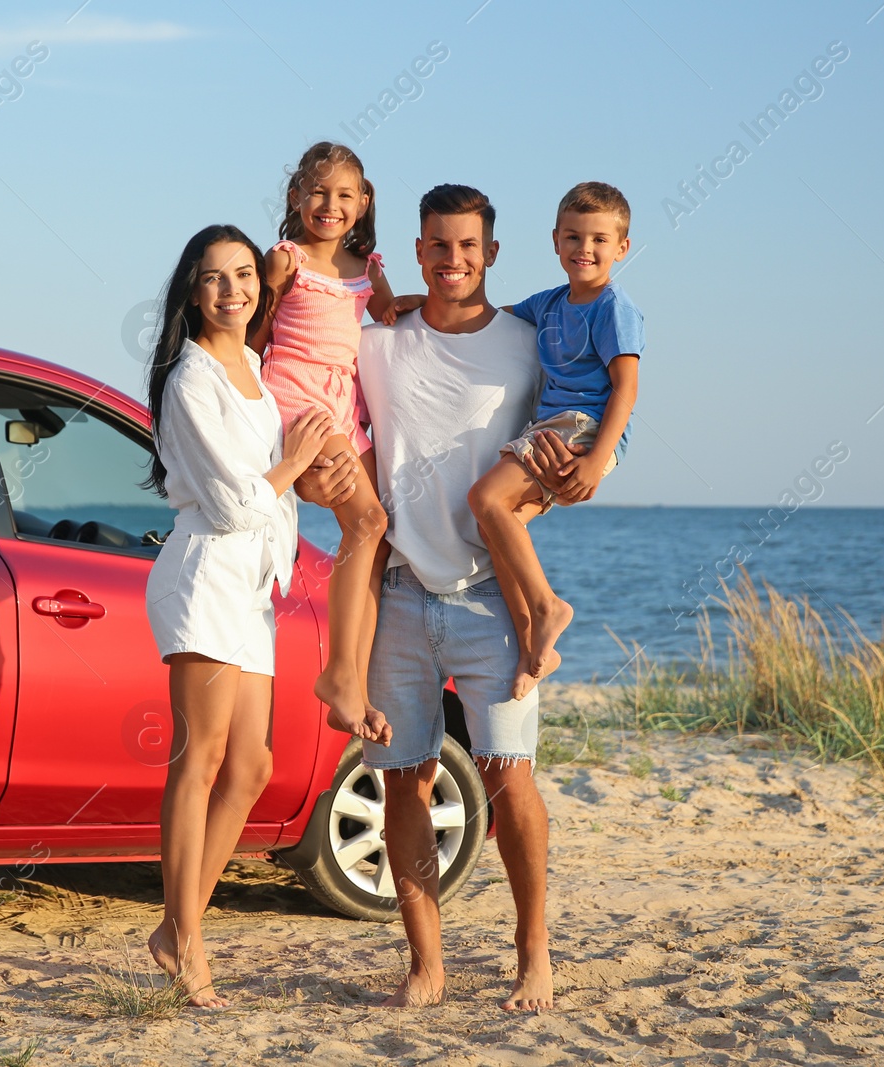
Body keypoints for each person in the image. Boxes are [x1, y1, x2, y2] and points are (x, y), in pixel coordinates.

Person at [300, 185, 564, 1011]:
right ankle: (427, 960)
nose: (454, 261)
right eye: (439, 247)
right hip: (400, 595)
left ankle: (533, 947)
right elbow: (309, 378)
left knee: (508, 773)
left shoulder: (528, 345)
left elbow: (571, 439)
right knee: (402, 781)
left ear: (490, 253)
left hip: (493, 599)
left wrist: (552, 491)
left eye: (469, 248)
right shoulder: (379, 344)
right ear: (417, 251)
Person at [143, 224, 333, 1007]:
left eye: (245, 275)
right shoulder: (190, 380)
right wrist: (291, 461)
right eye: (216, 278)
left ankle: (173, 925)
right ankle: (187, 941)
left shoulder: (253, 363)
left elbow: (268, 497)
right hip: (204, 575)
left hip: (252, 587)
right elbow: (227, 500)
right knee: (200, 758)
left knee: (251, 766)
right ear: (193, 291)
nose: (233, 289)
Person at [469, 181, 643, 698]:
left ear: (621, 248)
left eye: (597, 240)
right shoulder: (549, 304)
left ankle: (548, 607)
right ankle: (533, 649)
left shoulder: (613, 307)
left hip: (583, 426)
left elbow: (626, 389)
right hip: (552, 427)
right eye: (572, 237)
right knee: (498, 528)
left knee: (483, 497)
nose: (583, 249)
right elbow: (487, 317)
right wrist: (416, 301)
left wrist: (598, 460)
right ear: (554, 241)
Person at [254, 141, 396, 747]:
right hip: (299, 398)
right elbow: (254, 336)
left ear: (363, 203)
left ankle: (353, 680)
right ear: (295, 197)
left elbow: (391, 314)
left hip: (348, 402)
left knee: (380, 533)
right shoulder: (285, 260)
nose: (329, 205)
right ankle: (337, 676)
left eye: (344, 195)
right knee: (365, 521)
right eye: (317, 192)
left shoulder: (367, 266)